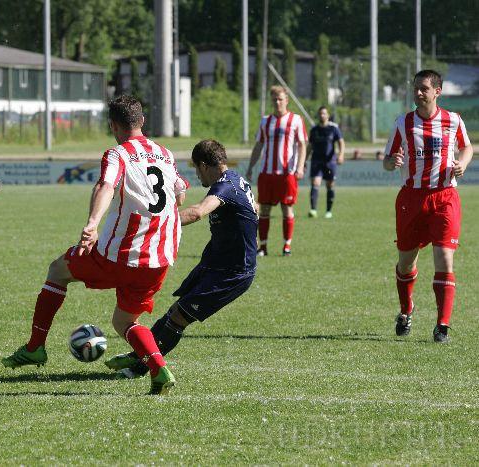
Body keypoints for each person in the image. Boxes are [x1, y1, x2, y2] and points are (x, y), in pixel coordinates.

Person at [1, 95, 188, 395]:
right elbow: (179, 193)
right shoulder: (165, 154)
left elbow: (105, 185)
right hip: (159, 259)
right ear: (142, 121)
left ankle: (35, 347)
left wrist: (92, 223)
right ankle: (159, 369)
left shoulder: (117, 154)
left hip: (120, 254)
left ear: (113, 125)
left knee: (58, 270)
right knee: (124, 320)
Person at [104, 139, 258, 378]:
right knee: (176, 310)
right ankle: (140, 355)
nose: (197, 176)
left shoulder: (225, 187)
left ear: (205, 165)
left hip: (233, 272)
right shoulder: (236, 179)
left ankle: (139, 369)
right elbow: (251, 207)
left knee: (178, 318)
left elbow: (197, 212)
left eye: (197, 169)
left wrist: (160, 222)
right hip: (216, 265)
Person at [383, 69, 473, 343]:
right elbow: (387, 160)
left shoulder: (453, 120)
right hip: (412, 199)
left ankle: (442, 325)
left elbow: (467, 147)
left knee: (445, 258)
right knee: (406, 262)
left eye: (423, 88)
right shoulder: (403, 123)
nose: (418, 93)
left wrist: (463, 163)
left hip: (445, 196)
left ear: (437, 91)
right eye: (415, 89)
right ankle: (406, 309)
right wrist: (392, 162)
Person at [246, 85, 307, 256]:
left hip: (287, 174)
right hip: (267, 173)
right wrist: (251, 167)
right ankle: (263, 247)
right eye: (275, 99)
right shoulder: (265, 121)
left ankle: (286, 246)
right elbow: (258, 145)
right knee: (264, 210)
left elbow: (302, 144)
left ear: (286, 100)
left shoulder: (296, 120)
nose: (278, 102)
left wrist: (300, 166)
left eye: (281, 99)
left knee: (287, 209)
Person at [305, 106, 345, 218]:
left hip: (330, 162)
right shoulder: (314, 130)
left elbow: (341, 142)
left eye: (324, 113)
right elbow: (310, 146)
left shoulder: (333, 128)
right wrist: (304, 160)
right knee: (315, 183)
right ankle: (313, 210)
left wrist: (341, 155)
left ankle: (328, 211)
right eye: (320, 114)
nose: (322, 115)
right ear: (318, 115)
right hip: (316, 161)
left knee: (330, 185)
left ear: (327, 115)